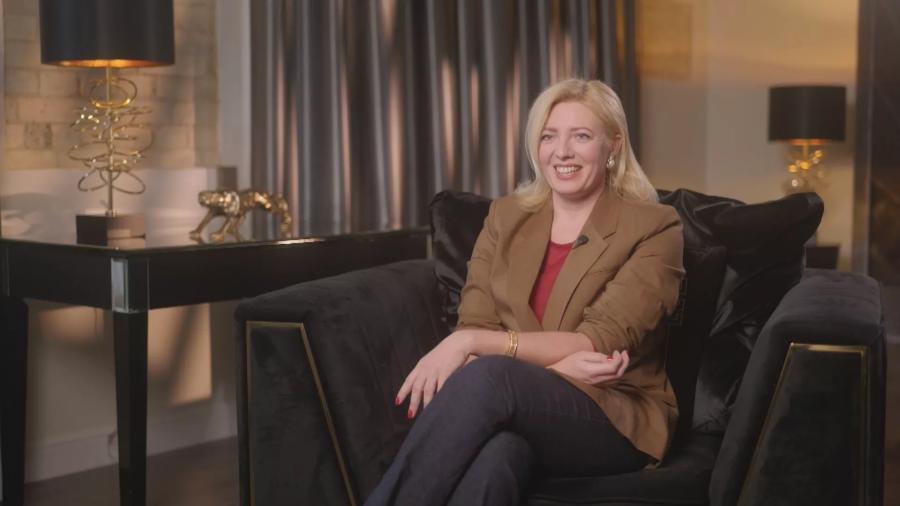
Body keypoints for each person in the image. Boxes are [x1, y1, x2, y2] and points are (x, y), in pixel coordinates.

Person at [365, 78, 685, 506]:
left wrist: (468, 343)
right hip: (520, 406)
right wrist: (555, 368)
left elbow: (599, 342)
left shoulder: (654, 227)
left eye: (581, 136)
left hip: (613, 413)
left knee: (489, 377)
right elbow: (478, 323)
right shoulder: (505, 217)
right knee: (499, 455)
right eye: (549, 137)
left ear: (613, 145)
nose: (562, 152)